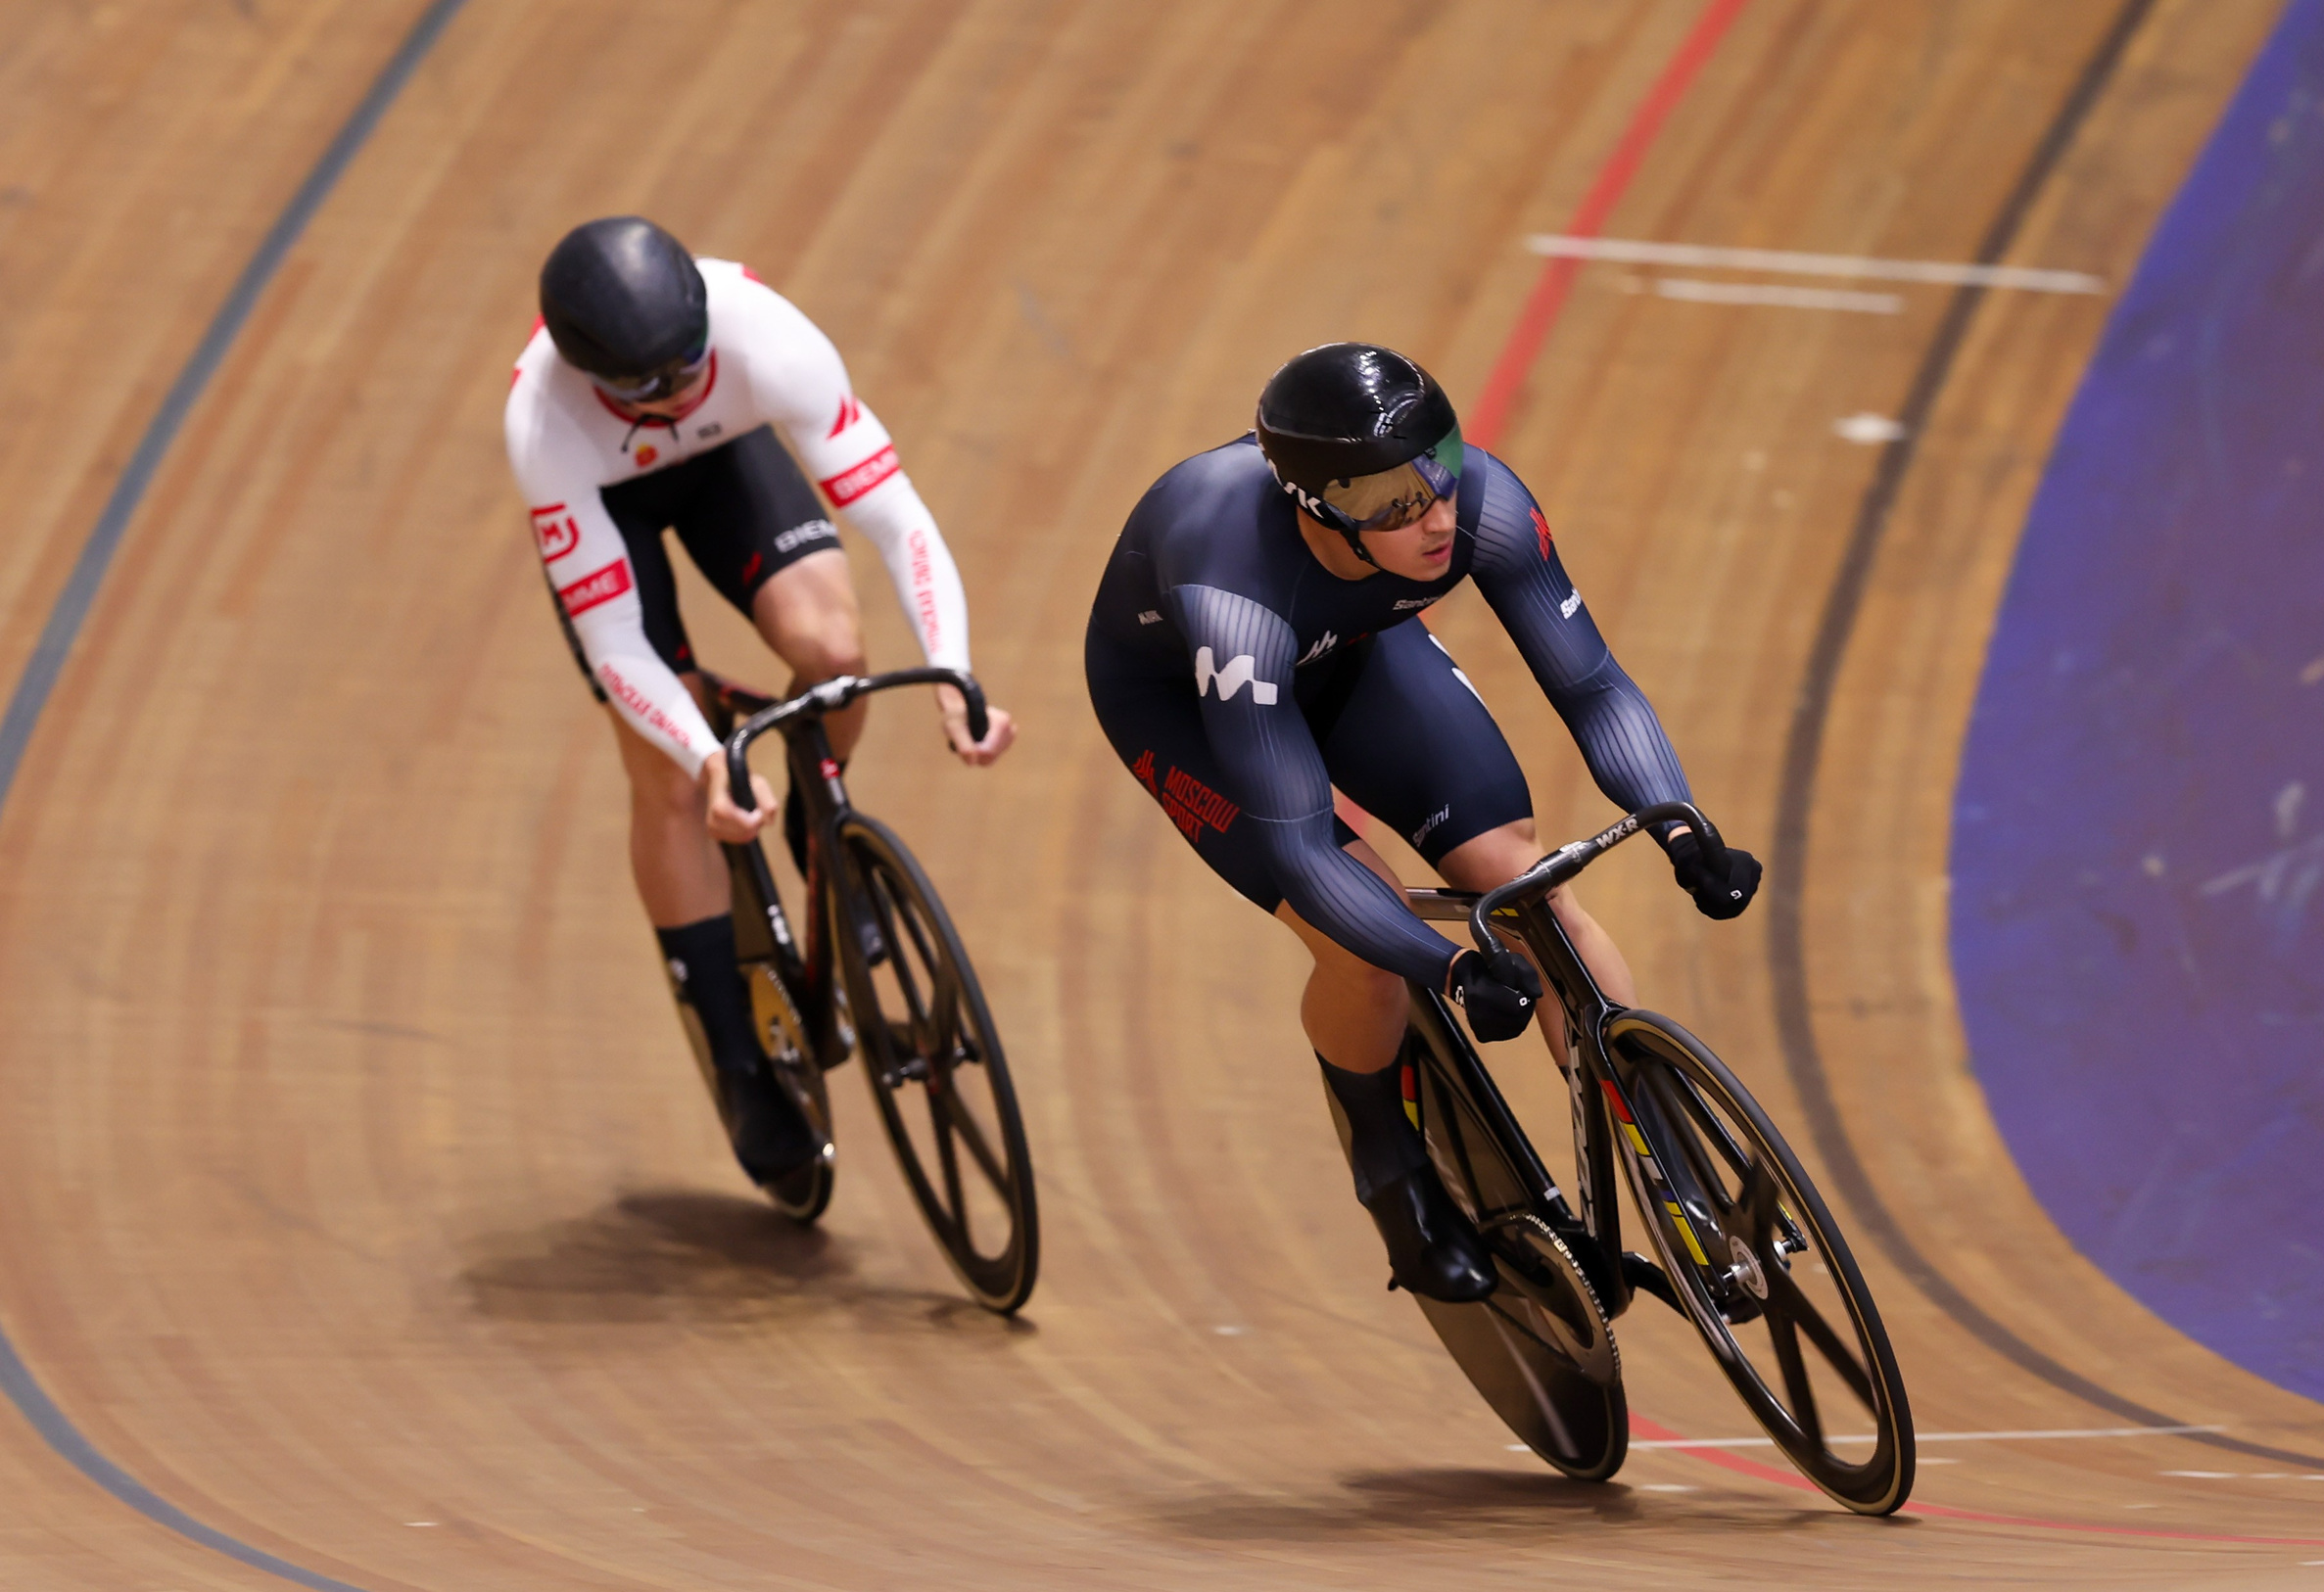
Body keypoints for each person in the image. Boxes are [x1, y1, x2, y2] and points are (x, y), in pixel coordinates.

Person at [1084, 342, 1758, 1301]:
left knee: (1524, 884)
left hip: (1351, 654)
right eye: (1392, 506)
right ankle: (1389, 1167)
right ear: (1312, 507)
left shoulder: (1478, 500)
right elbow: (1304, 848)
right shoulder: (1230, 589)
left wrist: (1681, 829)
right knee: (1362, 950)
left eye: (1435, 476)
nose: (1435, 518)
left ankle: (1664, 1158)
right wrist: (1448, 966)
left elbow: (1594, 687)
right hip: (1189, 711)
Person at [504, 216, 1014, 1208]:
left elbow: (895, 514)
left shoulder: (759, 332)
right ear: (593, 376)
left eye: (688, 360)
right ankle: (737, 1057)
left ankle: (822, 838)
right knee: (662, 771)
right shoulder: (544, 423)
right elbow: (618, 646)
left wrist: (951, 670)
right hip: (610, 510)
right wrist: (703, 756)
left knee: (832, 653)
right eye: (646, 385)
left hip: (725, 468)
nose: (678, 387)